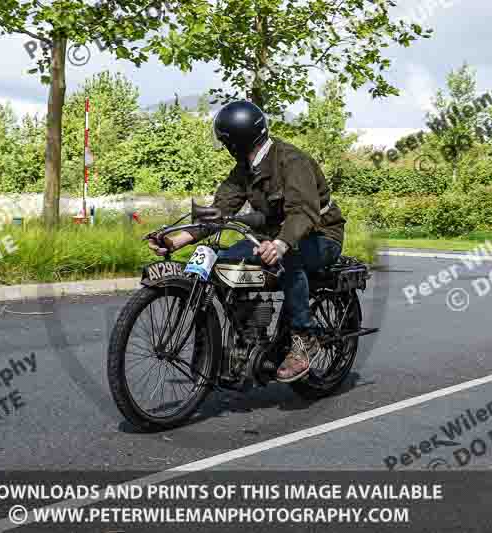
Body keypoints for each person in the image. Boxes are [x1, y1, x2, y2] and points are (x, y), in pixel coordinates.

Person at [147, 100, 346, 383]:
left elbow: (303, 213)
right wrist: (177, 240)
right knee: (225, 260)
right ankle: (246, 336)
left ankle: (304, 339)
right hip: (272, 235)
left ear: (235, 142)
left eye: (226, 142)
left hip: (319, 236)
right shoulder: (245, 168)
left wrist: (279, 244)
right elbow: (219, 212)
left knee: (290, 259)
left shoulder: (292, 161)